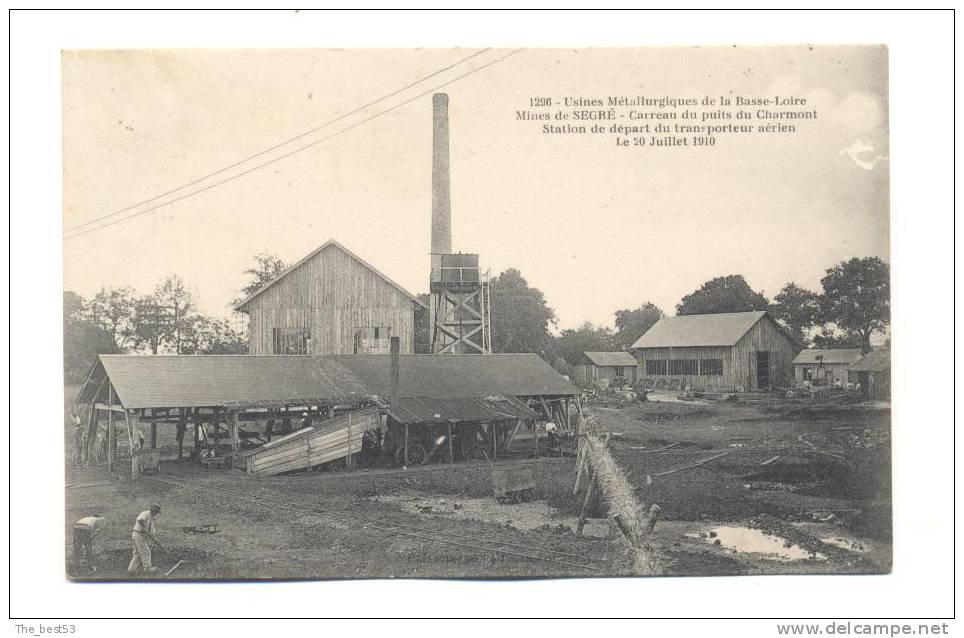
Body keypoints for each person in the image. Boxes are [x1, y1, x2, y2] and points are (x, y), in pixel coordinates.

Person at [128, 504, 161, 575]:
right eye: (156, 511)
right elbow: (140, 520)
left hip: (138, 536)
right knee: (146, 551)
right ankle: (147, 568)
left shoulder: (151, 520)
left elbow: (152, 533)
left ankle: (132, 569)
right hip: (138, 534)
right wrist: (144, 528)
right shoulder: (145, 513)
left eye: (157, 512)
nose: (156, 513)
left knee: (137, 553)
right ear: (153, 510)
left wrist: (155, 540)